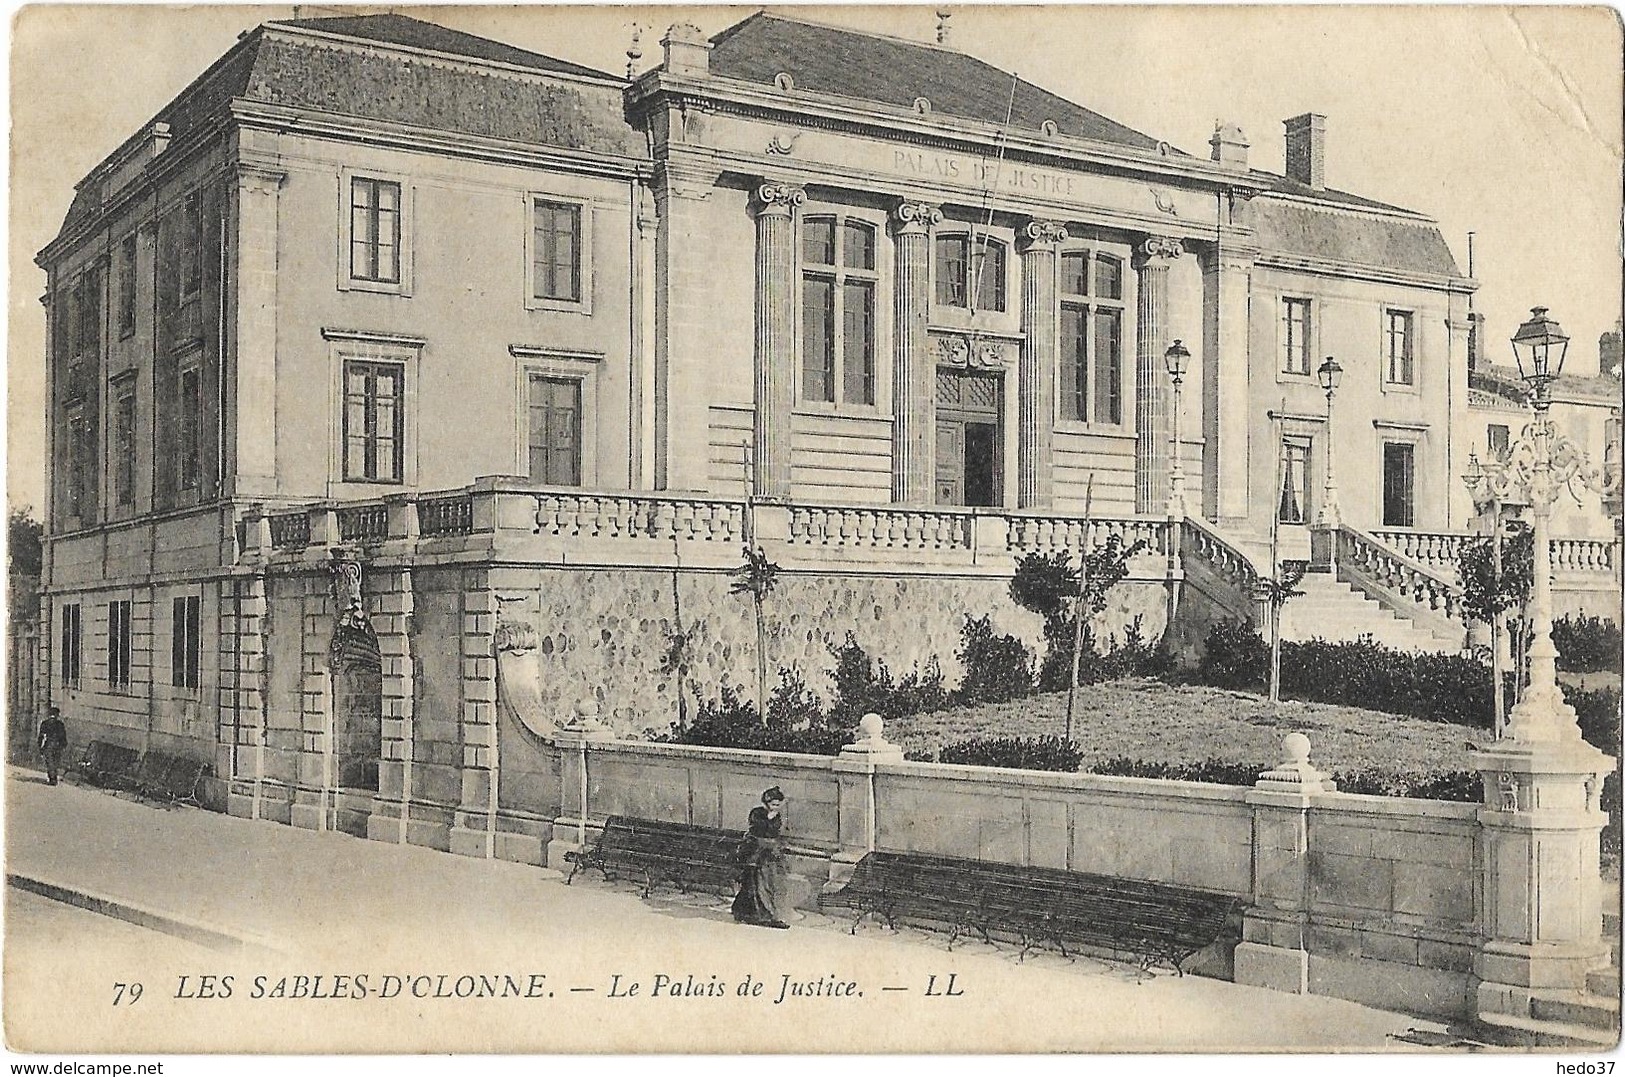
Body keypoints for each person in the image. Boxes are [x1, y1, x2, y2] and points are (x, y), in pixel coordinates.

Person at [732, 787, 790, 929]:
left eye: (778, 805)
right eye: (773, 804)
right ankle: (760, 915)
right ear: (766, 803)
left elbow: (774, 833)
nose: (776, 808)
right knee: (756, 884)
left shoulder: (777, 817)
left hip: (767, 854)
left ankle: (752, 912)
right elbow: (756, 829)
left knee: (765, 883)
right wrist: (767, 820)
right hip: (753, 852)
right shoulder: (757, 813)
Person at [37, 706, 67, 786]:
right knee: (55, 761)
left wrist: (40, 747)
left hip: (48, 744)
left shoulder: (45, 723)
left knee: (49, 762)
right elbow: (63, 736)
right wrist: (63, 745)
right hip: (58, 745)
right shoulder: (60, 724)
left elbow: (41, 736)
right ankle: (54, 778)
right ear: (57, 715)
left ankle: (52, 778)